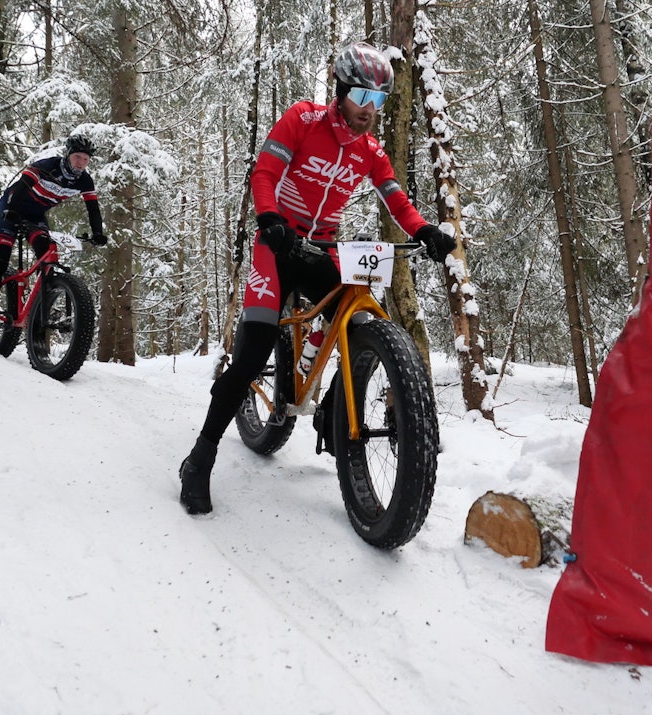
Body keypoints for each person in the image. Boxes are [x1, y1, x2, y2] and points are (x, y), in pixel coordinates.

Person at [178, 42, 456, 515]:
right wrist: (269, 218)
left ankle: (329, 400)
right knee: (250, 359)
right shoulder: (303, 120)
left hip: (322, 246)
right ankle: (199, 459)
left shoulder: (370, 151)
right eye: (362, 99)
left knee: (360, 314)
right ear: (343, 92)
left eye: (379, 102)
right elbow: (265, 172)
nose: (369, 111)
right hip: (278, 243)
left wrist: (425, 230)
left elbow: (396, 199)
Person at [0, 134, 108, 325]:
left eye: (86, 160)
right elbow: (22, 187)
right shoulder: (47, 166)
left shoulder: (85, 181)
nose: (81, 163)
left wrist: (97, 232)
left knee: (47, 255)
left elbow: (93, 208)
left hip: (36, 216)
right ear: (68, 154)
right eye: (77, 157)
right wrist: (11, 211)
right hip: (10, 208)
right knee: (0, 259)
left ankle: (42, 301)